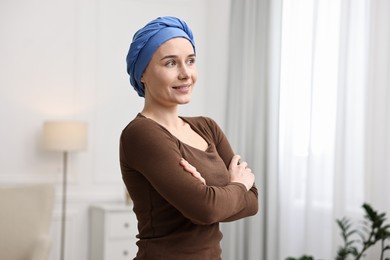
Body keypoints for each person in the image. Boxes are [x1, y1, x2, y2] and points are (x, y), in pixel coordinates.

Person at [120, 16, 258, 260]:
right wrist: (234, 186)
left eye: (190, 61)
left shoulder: (207, 127)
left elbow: (252, 201)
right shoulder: (141, 134)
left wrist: (209, 195)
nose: (186, 74)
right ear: (142, 74)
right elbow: (207, 209)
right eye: (170, 63)